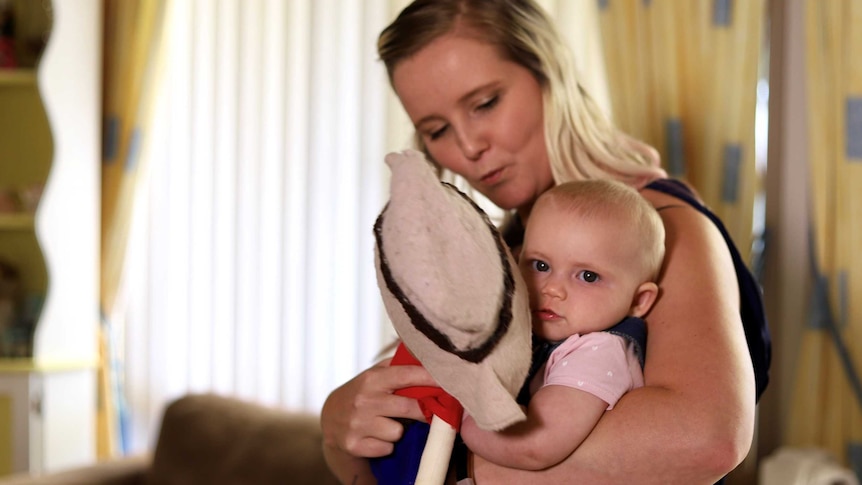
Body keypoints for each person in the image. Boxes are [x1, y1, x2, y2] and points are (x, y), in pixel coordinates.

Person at [321, 0, 763, 483]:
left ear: (550, 75)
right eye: (438, 130)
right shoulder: (504, 254)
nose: (468, 146)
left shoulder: (667, 226)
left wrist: (449, 457)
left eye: (485, 103)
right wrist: (340, 431)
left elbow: (704, 441)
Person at [460, 179, 665, 471]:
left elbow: (534, 446)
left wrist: (467, 412)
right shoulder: (535, 332)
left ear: (639, 300)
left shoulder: (598, 352)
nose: (552, 289)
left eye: (588, 276)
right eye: (540, 266)